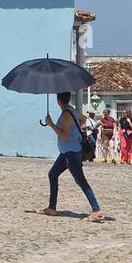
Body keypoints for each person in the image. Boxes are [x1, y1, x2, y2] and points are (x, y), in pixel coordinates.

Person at [40, 92, 103, 221]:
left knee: (81, 181)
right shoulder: (71, 110)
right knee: (52, 174)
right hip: (66, 153)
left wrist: (51, 124)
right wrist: (75, 129)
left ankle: (96, 210)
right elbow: (84, 119)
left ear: (58, 101)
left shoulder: (66, 115)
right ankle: (52, 207)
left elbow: (65, 136)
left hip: (71, 153)